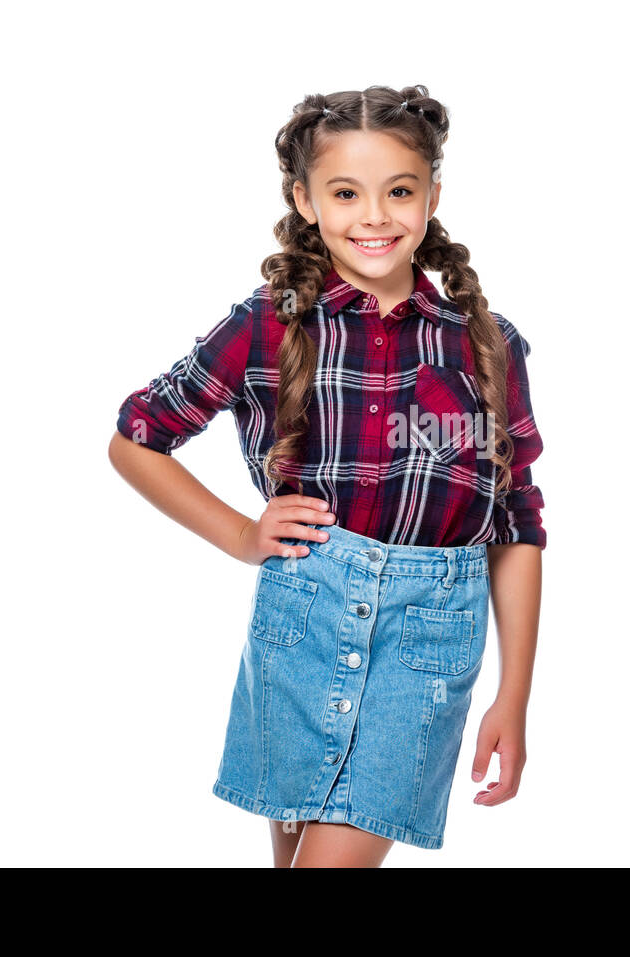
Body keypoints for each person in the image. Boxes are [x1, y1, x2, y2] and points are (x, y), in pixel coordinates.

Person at [108, 84, 546, 867]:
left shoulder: (486, 344)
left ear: (432, 196)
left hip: (428, 639)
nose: (374, 216)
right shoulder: (267, 326)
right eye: (346, 192)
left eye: (399, 191)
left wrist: (514, 692)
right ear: (306, 200)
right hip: (304, 619)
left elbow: (515, 523)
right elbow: (138, 436)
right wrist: (244, 534)